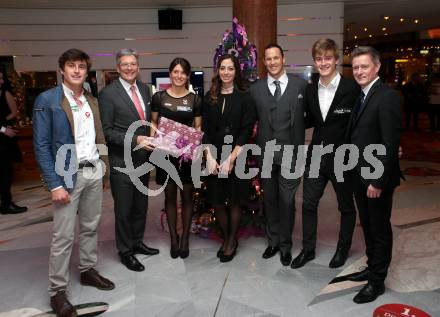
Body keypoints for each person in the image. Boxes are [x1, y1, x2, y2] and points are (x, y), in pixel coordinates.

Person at [33, 48, 115, 317]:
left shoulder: (91, 100)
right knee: (63, 236)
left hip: (92, 171)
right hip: (66, 176)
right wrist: (54, 184)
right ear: (62, 70)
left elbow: (98, 137)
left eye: (81, 66)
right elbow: (42, 146)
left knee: (91, 226)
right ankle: (57, 292)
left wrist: (103, 169)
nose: (77, 71)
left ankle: (88, 270)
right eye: (71, 66)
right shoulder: (48, 100)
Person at [291, 39, 359, 269]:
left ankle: (343, 249)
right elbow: (309, 120)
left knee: (346, 207)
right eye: (319, 59)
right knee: (308, 203)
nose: (323, 63)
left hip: (342, 158)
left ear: (336, 59)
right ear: (315, 61)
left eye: (328, 58)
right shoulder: (310, 89)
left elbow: (361, 122)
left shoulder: (351, 88)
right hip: (317, 155)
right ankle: (308, 250)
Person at [347, 46, 402, 304]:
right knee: (367, 225)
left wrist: (378, 180)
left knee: (379, 228)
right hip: (360, 175)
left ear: (377, 67)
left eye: (364, 66)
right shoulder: (362, 95)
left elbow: (391, 144)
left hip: (375, 178)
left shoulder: (386, 96)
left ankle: (377, 281)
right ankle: (372, 266)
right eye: (356, 67)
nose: (359, 71)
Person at [99, 48, 159, 272]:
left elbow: (148, 122)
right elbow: (108, 131)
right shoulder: (107, 94)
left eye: (133, 63)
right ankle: (125, 251)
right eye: (125, 64)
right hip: (122, 162)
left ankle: (137, 242)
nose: (129, 67)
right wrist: (136, 139)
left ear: (138, 67)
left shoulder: (145, 89)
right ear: (117, 68)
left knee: (140, 207)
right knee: (123, 210)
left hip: (143, 160)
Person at [250, 44, 307, 266]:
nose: (272, 62)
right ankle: (272, 241)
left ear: (283, 59)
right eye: (268, 59)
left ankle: (285, 245)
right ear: (264, 62)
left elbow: (313, 115)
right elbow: (249, 120)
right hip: (265, 155)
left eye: (276, 58)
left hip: (292, 154)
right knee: (270, 200)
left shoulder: (300, 85)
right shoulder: (256, 89)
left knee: (287, 202)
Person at [202, 54, 256, 262]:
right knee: (217, 201)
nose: (226, 72)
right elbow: (205, 131)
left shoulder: (245, 97)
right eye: (222, 68)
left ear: (236, 71)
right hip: (213, 153)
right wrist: (209, 157)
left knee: (234, 201)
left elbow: (246, 130)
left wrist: (232, 158)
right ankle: (227, 237)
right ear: (218, 71)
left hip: (237, 153)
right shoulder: (210, 97)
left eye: (230, 68)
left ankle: (231, 241)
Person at [150, 57, 202, 259]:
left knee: (187, 197)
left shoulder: (195, 100)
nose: (179, 76)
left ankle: (185, 239)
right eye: (175, 72)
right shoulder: (159, 97)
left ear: (187, 76)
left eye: (183, 72)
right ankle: (173, 238)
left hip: (186, 156)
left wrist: (193, 144)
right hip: (165, 155)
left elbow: (197, 127)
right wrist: (157, 139)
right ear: (170, 73)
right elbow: (153, 123)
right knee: (170, 198)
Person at [0, 71, 28, 214]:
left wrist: (4, 122)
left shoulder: (4, 94)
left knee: (7, 171)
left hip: (4, 141)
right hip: (3, 136)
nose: (2, 81)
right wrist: (3, 128)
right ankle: (5, 204)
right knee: (5, 172)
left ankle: (6, 202)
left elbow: (14, 111)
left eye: (2, 78)